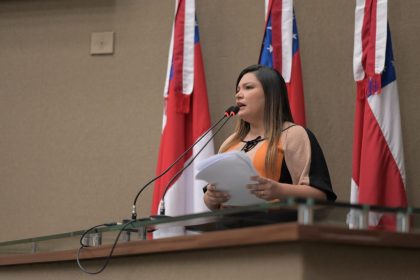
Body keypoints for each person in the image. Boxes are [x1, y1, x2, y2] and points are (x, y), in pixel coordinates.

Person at [204, 64, 337, 210]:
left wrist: (279, 191)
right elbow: (213, 202)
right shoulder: (230, 143)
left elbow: (321, 196)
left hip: (275, 228)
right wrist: (211, 198)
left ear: (270, 93)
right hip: (229, 229)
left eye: (248, 87)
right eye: (237, 90)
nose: (238, 95)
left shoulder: (293, 134)